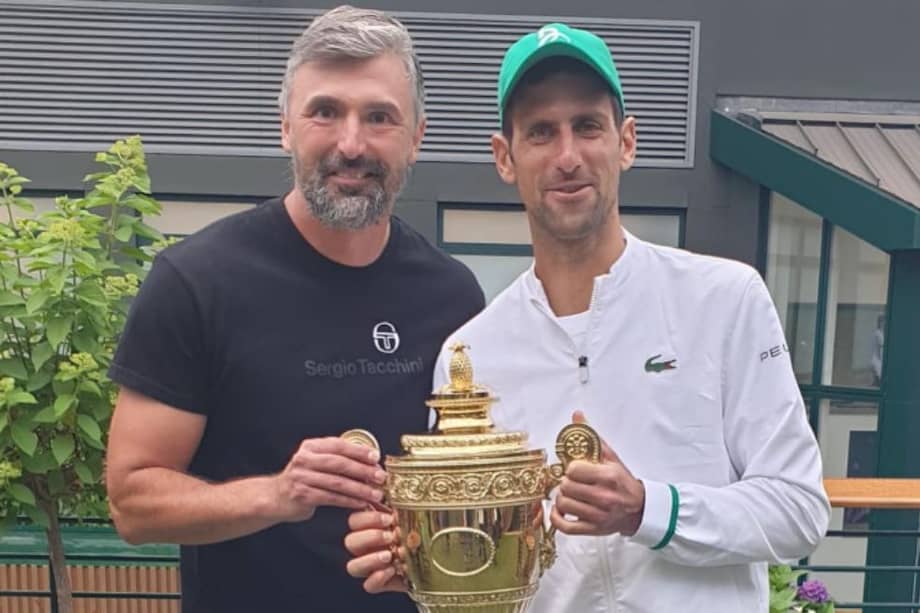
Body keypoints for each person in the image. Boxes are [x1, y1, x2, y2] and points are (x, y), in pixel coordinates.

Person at [344, 23, 830, 611]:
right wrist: (428, 568)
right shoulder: (471, 355)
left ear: (625, 142)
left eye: (588, 126)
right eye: (541, 132)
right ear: (506, 157)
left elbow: (799, 509)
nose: (568, 156)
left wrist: (649, 509)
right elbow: (489, 572)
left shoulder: (724, 300)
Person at [104, 6, 484, 613]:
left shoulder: (453, 295)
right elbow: (132, 503)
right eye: (325, 111)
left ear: (417, 136)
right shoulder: (197, 281)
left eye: (379, 116)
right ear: (286, 126)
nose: (351, 144)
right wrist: (277, 494)